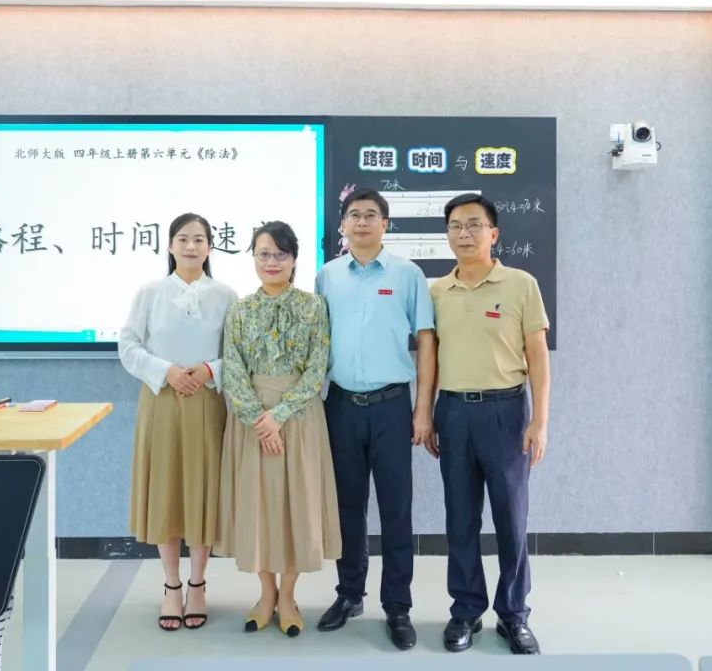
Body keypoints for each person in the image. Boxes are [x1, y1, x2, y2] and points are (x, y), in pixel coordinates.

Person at [314, 187, 436, 650]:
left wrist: (422, 409)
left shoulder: (407, 274)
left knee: (395, 509)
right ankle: (349, 594)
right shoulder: (327, 276)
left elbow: (426, 341)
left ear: (386, 224)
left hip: (391, 407)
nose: (362, 221)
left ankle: (398, 606)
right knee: (348, 508)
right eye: (354, 215)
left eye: (371, 215)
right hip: (341, 405)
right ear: (343, 225)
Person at [428, 193, 550, 655]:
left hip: (506, 413)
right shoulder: (437, 291)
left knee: (511, 519)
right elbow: (430, 358)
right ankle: (465, 611)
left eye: (473, 225)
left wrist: (540, 420)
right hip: (453, 412)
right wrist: (428, 413)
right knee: (460, 518)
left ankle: (514, 615)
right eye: (455, 226)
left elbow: (537, 356)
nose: (464, 234)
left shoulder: (521, 284)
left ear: (493, 233)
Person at [215, 221, 341, 638]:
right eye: (263, 254)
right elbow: (233, 369)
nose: (272, 262)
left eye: (280, 254)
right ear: (253, 258)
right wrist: (259, 419)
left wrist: (280, 415)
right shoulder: (239, 310)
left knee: (294, 507)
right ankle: (265, 594)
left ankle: (288, 597)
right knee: (259, 506)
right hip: (251, 423)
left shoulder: (313, 307)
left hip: (299, 419)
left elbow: (317, 367)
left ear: (294, 259)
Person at [118, 212, 239, 632]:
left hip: (207, 401)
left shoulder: (226, 295)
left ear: (210, 247)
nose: (191, 246)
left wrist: (208, 370)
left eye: (199, 239)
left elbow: (237, 353)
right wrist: (165, 371)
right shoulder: (150, 292)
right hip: (162, 401)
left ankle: (198, 583)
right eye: (183, 239)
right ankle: (171, 586)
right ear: (169, 245)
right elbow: (128, 345)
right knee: (166, 492)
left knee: (202, 493)